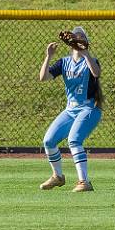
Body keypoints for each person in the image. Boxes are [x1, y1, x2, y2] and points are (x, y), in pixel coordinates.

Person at [39, 27, 104, 192]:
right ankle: (58, 176)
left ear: (86, 42)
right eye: (76, 37)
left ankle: (84, 182)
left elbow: (96, 73)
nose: (77, 39)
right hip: (70, 110)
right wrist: (49, 56)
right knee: (48, 141)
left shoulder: (91, 60)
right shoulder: (64, 62)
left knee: (74, 140)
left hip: (89, 108)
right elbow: (43, 77)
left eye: (82, 38)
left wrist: (86, 53)